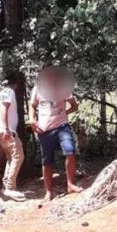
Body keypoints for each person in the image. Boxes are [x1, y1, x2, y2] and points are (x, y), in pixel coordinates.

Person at [29, 66, 82, 201]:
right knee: (47, 161)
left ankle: (70, 185)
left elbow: (74, 105)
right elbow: (32, 106)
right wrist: (32, 120)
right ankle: (48, 192)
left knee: (70, 152)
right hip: (44, 130)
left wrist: (64, 113)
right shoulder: (37, 89)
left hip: (62, 127)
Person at [0, 72, 26, 201]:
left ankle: (7, 185)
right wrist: (6, 128)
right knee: (18, 156)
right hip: (7, 131)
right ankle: (10, 187)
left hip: (0, 131)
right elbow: (4, 109)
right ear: (15, 85)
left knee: (11, 157)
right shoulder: (8, 92)